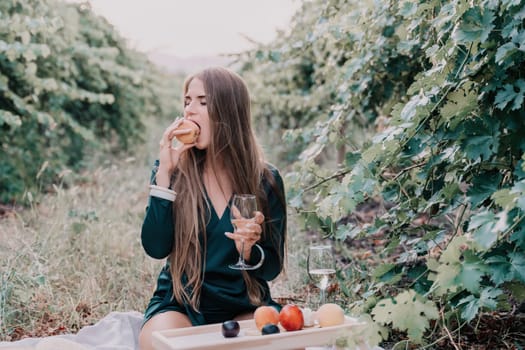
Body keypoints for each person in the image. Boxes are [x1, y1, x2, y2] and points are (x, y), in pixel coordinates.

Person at [138, 67, 287, 350]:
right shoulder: (171, 171)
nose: (190, 111)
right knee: (159, 344)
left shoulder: (266, 180)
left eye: (203, 102)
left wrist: (248, 249)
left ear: (229, 112)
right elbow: (156, 248)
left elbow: (270, 268)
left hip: (244, 302)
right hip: (181, 304)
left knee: (286, 345)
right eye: (187, 101)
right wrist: (164, 176)